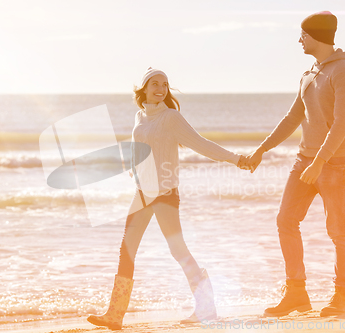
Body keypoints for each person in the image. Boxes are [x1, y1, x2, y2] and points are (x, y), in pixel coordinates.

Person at [87, 67, 248, 329]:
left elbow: (201, 144)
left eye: (165, 84)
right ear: (144, 89)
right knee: (126, 249)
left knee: (178, 250)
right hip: (142, 194)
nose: (161, 89)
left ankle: (206, 307)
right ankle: (115, 315)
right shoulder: (140, 116)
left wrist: (236, 159)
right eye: (155, 84)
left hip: (164, 194)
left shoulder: (171, 117)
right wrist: (133, 169)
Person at [243, 11, 345, 317]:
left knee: (338, 230)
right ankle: (296, 293)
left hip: (334, 163)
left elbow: (341, 125)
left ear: (317, 36)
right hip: (304, 160)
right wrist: (261, 149)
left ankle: (342, 297)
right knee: (285, 221)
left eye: (303, 35)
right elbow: (293, 118)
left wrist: (320, 162)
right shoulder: (309, 74)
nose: (299, 40)